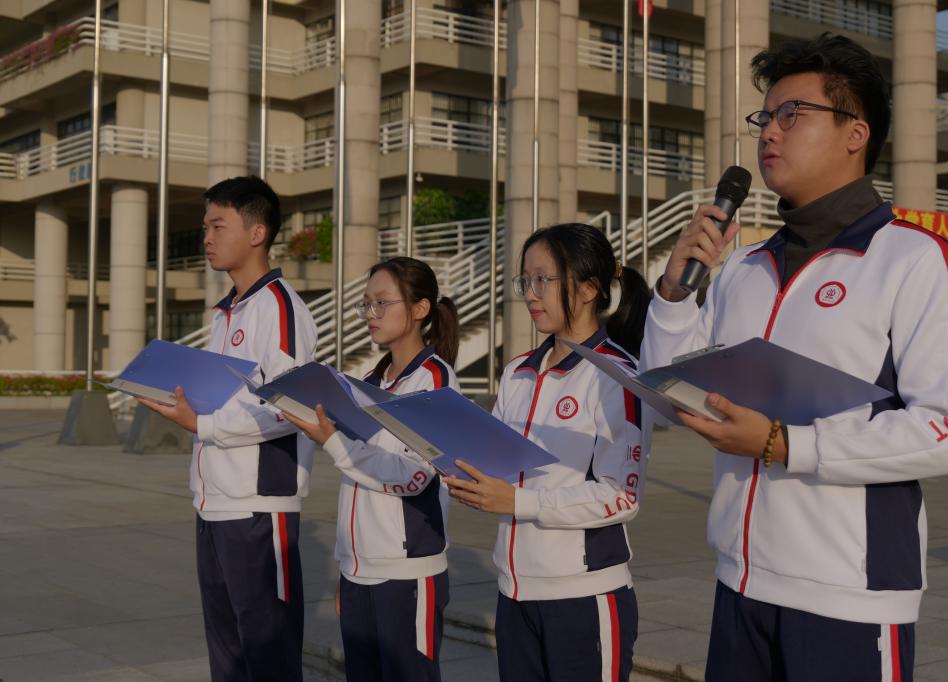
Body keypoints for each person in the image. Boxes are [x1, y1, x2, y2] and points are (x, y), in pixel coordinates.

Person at [640, 33, 948, 681]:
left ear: (856, 133)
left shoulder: (913, 259)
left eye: (792, 114)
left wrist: (785, 444)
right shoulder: (743, 267)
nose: (769, 131)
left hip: (848, 597)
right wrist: (673, 296)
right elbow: (667, 399)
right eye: (765, 117)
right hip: (739, 585)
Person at [445, 222, 652, 682]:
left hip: (583, 597)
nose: (531, 294)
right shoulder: (518, 372)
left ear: (589, 288)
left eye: (543, 279)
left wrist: (519, 502)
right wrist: (456, 463)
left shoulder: (617, 375)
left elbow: (622, 496)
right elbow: (499, 464)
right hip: (514, 594)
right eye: (525, 281)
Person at [140, 175, 317, 681]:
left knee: (268, 656)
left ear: (257, 233)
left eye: (218, 226)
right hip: (213, 504)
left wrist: (204, 423)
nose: (207, 237)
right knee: (228, 655)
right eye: (205, 227)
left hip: (259, 508)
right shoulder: (226, 313)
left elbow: (292, 405)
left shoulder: (279, 307)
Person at [283, 256, 459, 681]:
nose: (371, 314)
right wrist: (349, 569)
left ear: (420, 308)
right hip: (361, 573)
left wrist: (334, 442)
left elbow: (415, 476)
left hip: (406, 574)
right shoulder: (371, 382)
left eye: (382, 302)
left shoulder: (435, 381)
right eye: (366, 304)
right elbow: (359, 481)